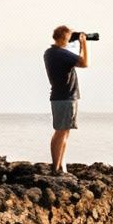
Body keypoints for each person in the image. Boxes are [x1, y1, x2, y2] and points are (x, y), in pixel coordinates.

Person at [44, 26, 90, 174]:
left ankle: (60, 166)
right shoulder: (60, 54)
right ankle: (56, 167)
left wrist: (73, 42)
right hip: (66, 97)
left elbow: (69, 59)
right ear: (64, 37)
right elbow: (84, 63)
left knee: (63, 132)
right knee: (61, 132)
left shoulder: (50, 53)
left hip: (59, 97)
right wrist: (83, 43)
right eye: (70, 36)